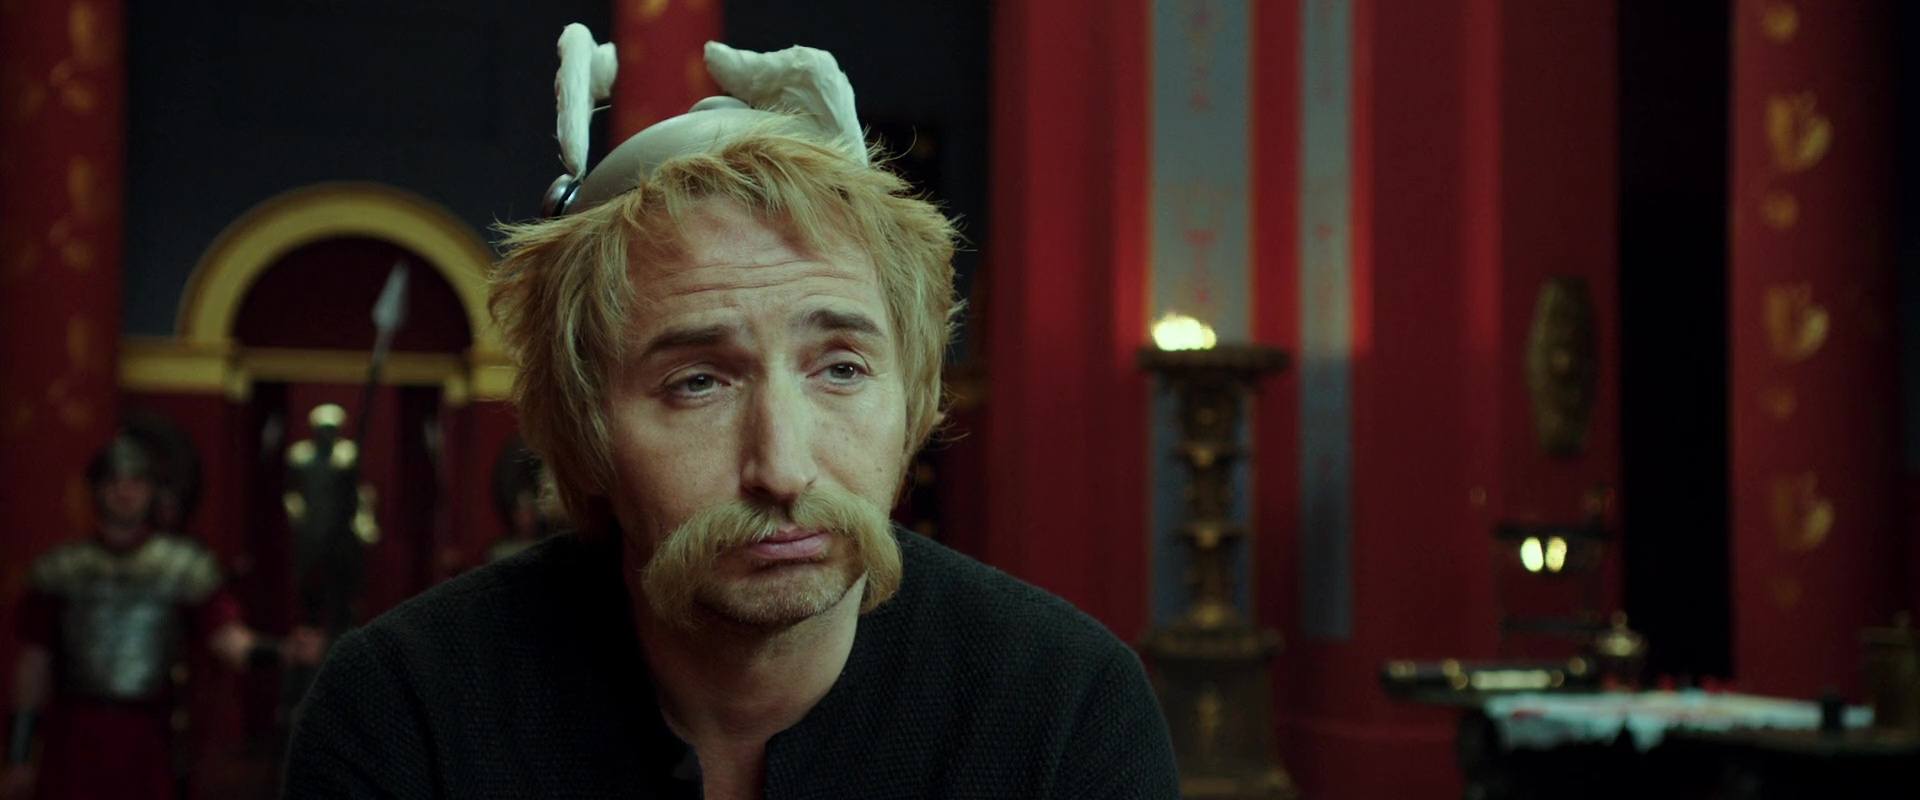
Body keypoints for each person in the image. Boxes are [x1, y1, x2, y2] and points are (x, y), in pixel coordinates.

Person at [282, 27, 1179, 799]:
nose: (782, 469)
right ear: (583, 427)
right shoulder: (405, 714)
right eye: (697, 383)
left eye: (841, 369)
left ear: (914, 399)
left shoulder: (1063, 710)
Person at [3, 434, 325, 800]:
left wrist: (283, 650)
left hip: (147, 741)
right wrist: (18, 755)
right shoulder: (61, 571)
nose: (125, 492)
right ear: (97, 489)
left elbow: (228, 641)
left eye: (136, 482)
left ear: (151, 491)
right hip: (73, 739)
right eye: (114, 481)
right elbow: (33, 667)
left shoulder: (181, 567)